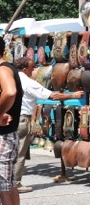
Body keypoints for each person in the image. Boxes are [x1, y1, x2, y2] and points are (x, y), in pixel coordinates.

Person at [13, 55, 83, 193]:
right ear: (26, 69)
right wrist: (73, 96)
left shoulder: (10, 79)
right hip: (22, 118)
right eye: (32, 67)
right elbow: (52, 96)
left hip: (10, 117)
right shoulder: (28, 82)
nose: (34, 70)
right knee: (20, 153)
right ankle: (15, 184)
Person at [0, 38, 24, 205]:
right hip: (8, 133)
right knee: (9, 185)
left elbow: (10, 92)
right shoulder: (8, 67)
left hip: (3, 135)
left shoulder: (3, 69)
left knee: (4, 188)